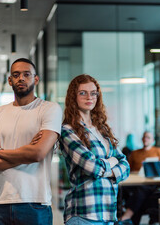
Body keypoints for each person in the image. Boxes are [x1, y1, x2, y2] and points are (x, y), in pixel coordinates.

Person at [0, 58, 62, 225]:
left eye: (26, 74)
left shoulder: (49, 109)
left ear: (36, 79)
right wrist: (25, 152)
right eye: (16, 75)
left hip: (36, 202)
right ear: (10, 80)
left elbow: (38, 154)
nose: (21, 78)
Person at [59, 74, 130, 225]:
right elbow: (93, 168)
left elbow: (125, 165)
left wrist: (107, 167)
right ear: (74, 97)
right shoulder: (67, 130)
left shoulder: (102, 129)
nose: (89, 97)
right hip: (84, 214)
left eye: (93, 93)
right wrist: (112, 162)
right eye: (82, 93)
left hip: (108, 212)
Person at [118, 131, 160, 224]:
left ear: (153, 140)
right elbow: (127, 170)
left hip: (152, 183)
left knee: (141, 191)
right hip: (135, 181)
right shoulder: (135, 153)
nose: (145, 139)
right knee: (123, 189)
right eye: (144, 137)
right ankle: (126, 216)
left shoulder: (158, 151)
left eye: (148, 137)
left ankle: (126, 216)